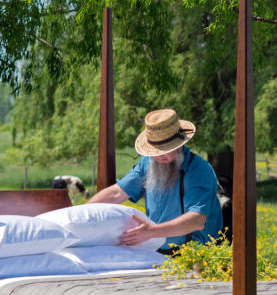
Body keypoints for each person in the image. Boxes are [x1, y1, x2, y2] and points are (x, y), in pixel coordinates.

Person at [88, 109, 222, 254]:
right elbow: (116, 193)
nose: (159, 156)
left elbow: (197, 220)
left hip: (194, 255)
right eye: (154, 150)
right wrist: (79, 213)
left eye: (165, 149)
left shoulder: (199, 170)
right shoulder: (147, 163)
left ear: (179, 145)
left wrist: (152, 232)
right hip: (156, 250)